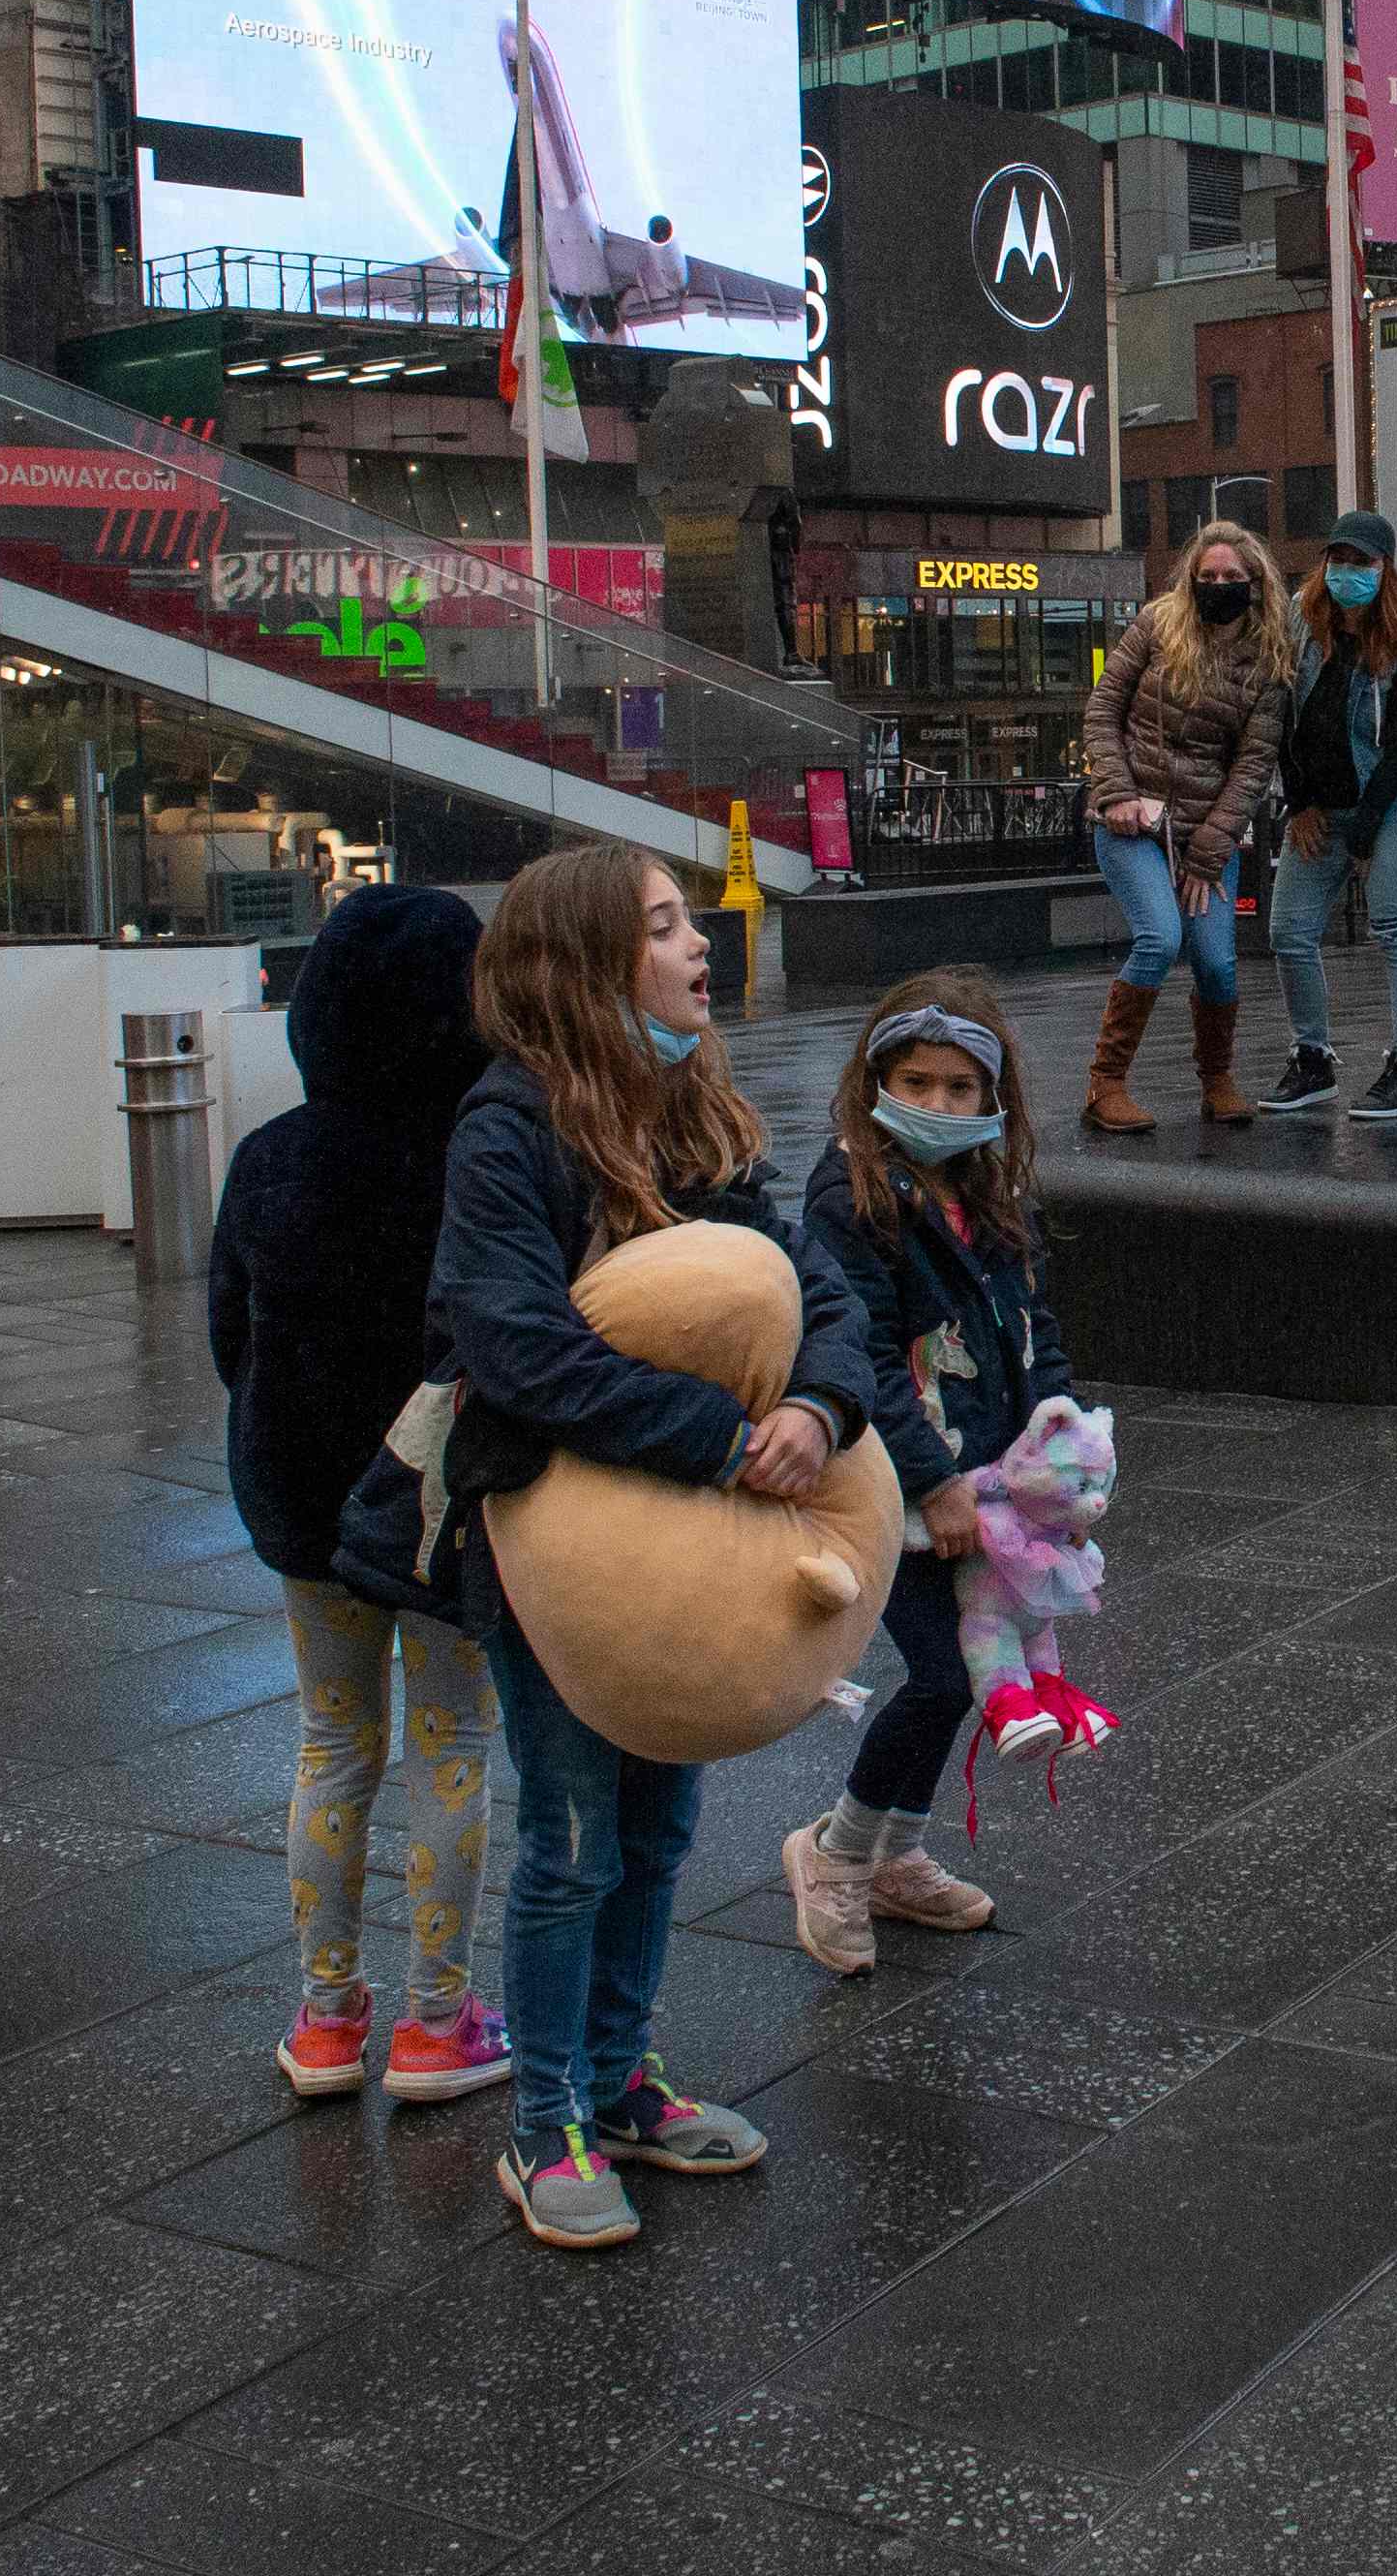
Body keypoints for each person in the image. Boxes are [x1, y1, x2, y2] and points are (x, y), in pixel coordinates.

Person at [414, 841, 874, 2249]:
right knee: (568, 1840)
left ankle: (621, 2083)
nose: (698, 951)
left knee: (661, 1823)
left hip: (694, 1534)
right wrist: (719, 1435)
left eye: (690, 924)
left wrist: (819, 1399)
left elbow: (817, 1288)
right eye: (667, 928)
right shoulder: (505, 1134)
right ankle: (544, 2118)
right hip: (556, 1549)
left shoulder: (700, 1117)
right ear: (588, 963)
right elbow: (514, 1349)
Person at [211, 884, 507, 2111]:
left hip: (304, 1503)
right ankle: (440, 2026)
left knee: (334, 1744)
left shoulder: (269, 1156)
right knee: (451, 1746)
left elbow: (233, 1341)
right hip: (437, 1504)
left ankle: (327, 2020)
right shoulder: (483, 1159)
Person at [780, 974, 1078, 1974]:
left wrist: (1062, 1445)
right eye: (917, 1081)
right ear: (878, 1078)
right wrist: (931, 1479)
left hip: (993, 1486)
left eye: (960, 1087)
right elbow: (859, 1353)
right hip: (899, 1489)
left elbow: (1037, 1330)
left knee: (962, 1682)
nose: (940, 1106)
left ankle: (897, 1854)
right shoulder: (852, 1192)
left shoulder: (989, 1188)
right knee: (945, 1673)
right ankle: (834, 1851)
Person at [1078, 523, 1291, 1133]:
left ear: (1255, 583)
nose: (1219, 586)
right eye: (1208, 576)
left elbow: (1254, 765)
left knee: (1218, 964)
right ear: (1190, 578)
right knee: (1159, 938)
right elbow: (1103, 708)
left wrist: (1209, 848)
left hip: (1206, 836)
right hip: (1131, 825)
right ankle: (1105, 1085)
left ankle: (1217, 1079)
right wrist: (1114, 792)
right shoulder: (1155, 624)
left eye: (1232, 578)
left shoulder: (1269, 659)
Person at [1261, 509, 1397, 1121]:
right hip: (1322, 805)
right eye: (1337, 559)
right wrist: (1300, 801)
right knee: (1288, 932)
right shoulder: (1300, 620)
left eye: (1361, 562)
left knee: (1393, 926)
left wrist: (1368, 830)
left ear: (1384, 568)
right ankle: (1312, 1059)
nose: (1346, 572)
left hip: (1392, 801)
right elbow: (1282, 716)